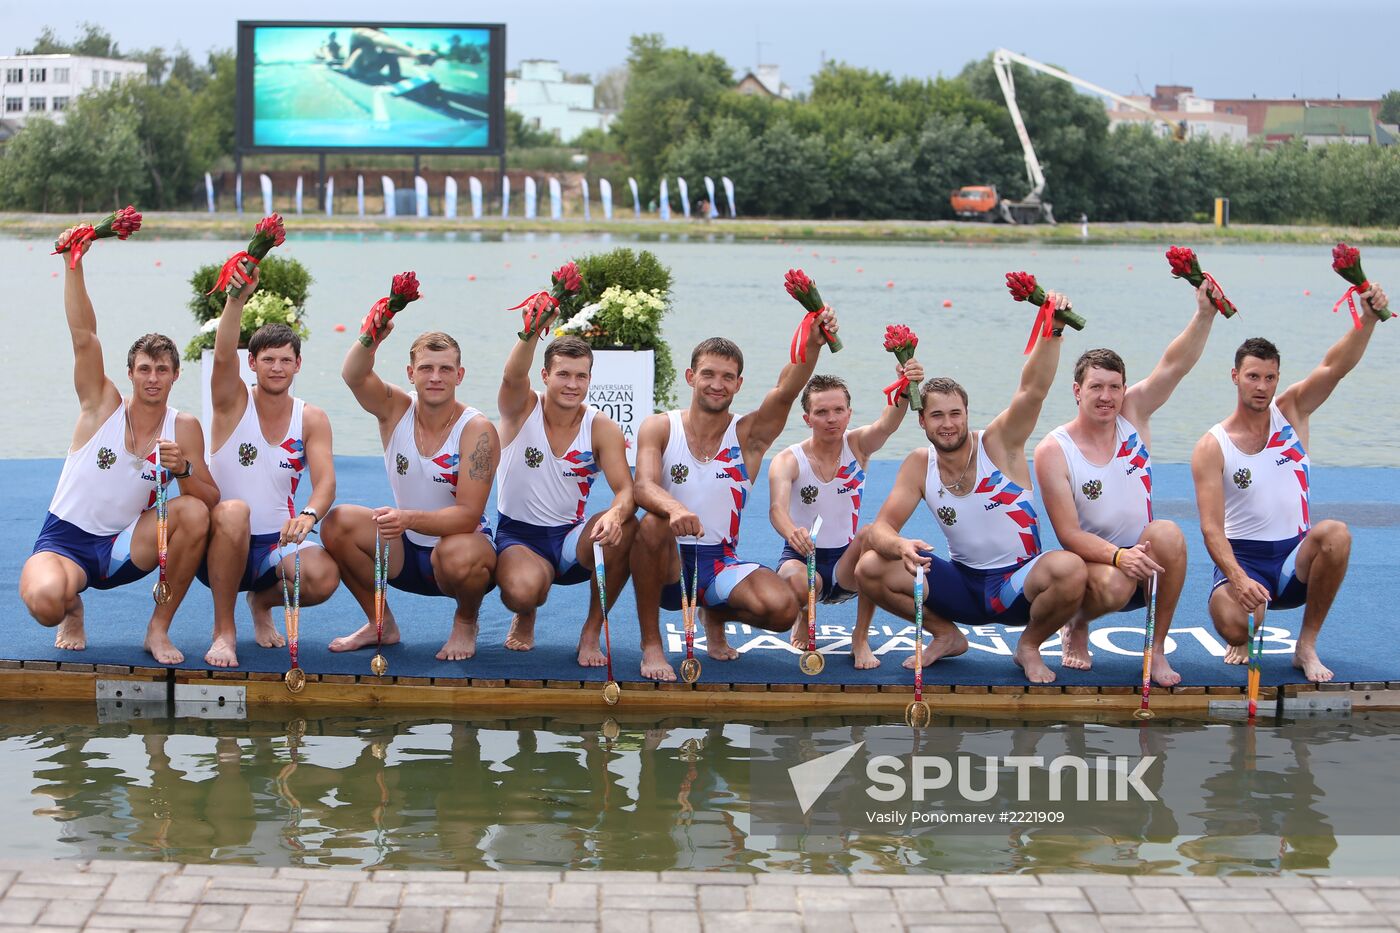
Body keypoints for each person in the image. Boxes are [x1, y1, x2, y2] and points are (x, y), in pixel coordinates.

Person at [856, 292, 1087, 684]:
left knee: (1070, 568)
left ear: (967, 414)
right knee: (871, 566)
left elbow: (1033, 391)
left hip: (1018, 585)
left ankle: (1029, 646)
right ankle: (945, 634)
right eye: (937, 416)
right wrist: (901, 546)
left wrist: (1054, 326)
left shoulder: (999, 443)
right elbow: (880, 529)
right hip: (963, 585)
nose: (948, 424)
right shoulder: (918, 463)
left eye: (955, 414)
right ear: (922, 422)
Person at [20, 227, 219, 664]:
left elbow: (209, 500)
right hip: (65, 542)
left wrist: (183, 469)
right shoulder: (101, 405)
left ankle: (158, 628)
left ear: (175, 376)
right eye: (144, 369)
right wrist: (75, 263)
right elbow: (83, 337)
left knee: (194, 511)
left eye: (162, 370)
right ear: (130, 373)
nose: (153, 378)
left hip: (125, 546)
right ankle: (73, 606)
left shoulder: (183, 426)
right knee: (42, 602)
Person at [1191, 283, 1388, 684]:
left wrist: (1366, 320)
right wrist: (1239, 579)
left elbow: (1335, 366)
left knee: (1337, 533)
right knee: (1236, 625)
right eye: (1252, 376)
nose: (1262, 387)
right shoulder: (1213, 446)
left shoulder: (1292, 412)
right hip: (1243, 559)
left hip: (1293, 561)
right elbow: (1211, 530)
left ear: (1277, 378)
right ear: (1235, 376)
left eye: (1269, 377)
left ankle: (1306, 646)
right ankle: (1244, 632)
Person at [631, 310, 840, 681]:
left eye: (727, 377)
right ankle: (652, 645)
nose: (717, 384)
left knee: (781, 610)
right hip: (668, 562)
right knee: (651, 523)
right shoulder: (660, 427)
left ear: (738, 384)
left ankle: (715, 612)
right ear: (691, 377)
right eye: (708, 374)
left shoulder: (749, 436)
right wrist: (674, 508)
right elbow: (643, 486)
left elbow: (786, 391)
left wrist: (812, 343)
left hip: (718, 561)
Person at [1033, 282, 1224, 686]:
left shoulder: (1132, 414)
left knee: (1169, 533)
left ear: (1124, 389)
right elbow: (1068, 535)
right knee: (1118, 582)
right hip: (1097, 569)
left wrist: (1205, 313)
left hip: (1146, 560)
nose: (1107, 397)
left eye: (1114, 387)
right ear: (1077, 391)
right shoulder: (1054, 449)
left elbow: (1175, 365)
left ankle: (1155, 652)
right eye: (1096, 387)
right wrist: (1119, 557)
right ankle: (1077, 622)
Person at [322, 323, 498, 662]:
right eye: (426, 368)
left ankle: (465, 620)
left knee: (458, 553)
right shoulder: (395, 410)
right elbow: (353, 375)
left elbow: (468, 515)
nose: (435, 377)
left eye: (445, 369)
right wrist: (372, 334)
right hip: (405, 551)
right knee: (337, 523)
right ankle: (380, 623)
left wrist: (408, 518)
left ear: (459, 375)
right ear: (410, 373)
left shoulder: (477, 430)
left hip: (460, 550)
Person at [202, 265, 339, 668]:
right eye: (268, 360)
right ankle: (224, 633)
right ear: (252, 364)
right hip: (222, 538)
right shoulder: (230, 402)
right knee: (234, 511)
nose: (276, 368)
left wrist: (311, 515)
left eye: (285, 360)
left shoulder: (311, 418)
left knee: (324, 577)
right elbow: (223, 352)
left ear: (298, 364)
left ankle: (261, 603)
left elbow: (326, 481)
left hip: (275, 543)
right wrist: (236, 298)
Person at [494, 322, 637, 666]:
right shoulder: (520, 408)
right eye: (563, 374)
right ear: (544, 375)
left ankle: (591, 631)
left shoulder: (601, 427)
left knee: (630, 523)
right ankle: (526, 612)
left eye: (581, 376)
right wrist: (528, 332)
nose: (572, 385)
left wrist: (616, 514)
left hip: (571, 539)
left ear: (589, 379)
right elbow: (513, 376)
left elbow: (625, 490)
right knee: (522, 592)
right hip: (520, 536)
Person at [768, 363, 924, 669]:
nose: (831, 419)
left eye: (838, 410)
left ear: (849, 414)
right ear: (807, 418)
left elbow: (886, 424)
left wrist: (904, 386)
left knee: (870, 537)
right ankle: (802, 616)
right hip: (802, 556)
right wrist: (792, 533)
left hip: (846, 561)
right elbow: (777, 509)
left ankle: (860, 637)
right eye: (822, 412)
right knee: (800, 585)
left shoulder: (859, 446)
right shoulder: (788, 460)